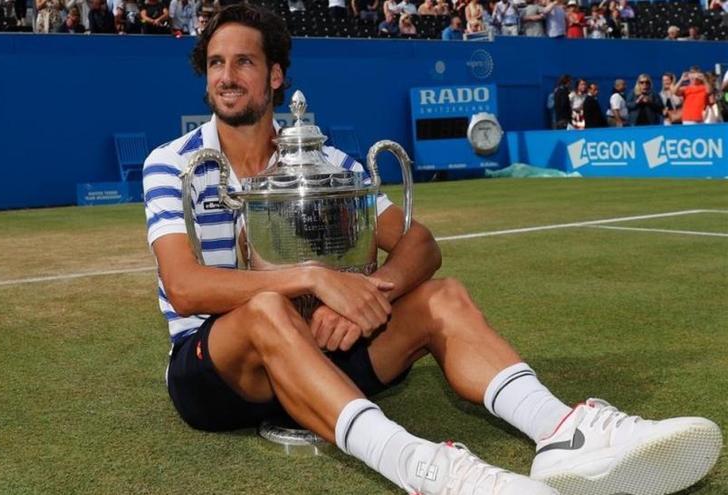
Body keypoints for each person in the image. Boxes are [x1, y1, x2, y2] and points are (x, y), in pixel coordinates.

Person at [143, 4, 724, 495]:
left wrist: (368, 294)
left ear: (275, 75)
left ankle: (563, 432)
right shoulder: (174, 162)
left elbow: (421, 243)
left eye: (243, 61)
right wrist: (316, 279)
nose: (227, 76)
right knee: (269, 310)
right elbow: (185, 285)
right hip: (220, 372)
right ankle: (431, 469)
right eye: (216, 63)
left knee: (441, 297)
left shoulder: (329, 163)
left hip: (325, 353)